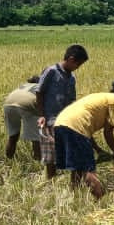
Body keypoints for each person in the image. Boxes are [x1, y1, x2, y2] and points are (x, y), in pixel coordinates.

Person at [53, 78, 114, 199]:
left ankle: (75, 197)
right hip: (75, 127)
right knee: (88, 168)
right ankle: (101, 203)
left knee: (78, 167)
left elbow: (86, 129)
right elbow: (108, 132)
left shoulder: (103, 97)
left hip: (60, 124)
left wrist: (98, 150)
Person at [37, 44, 88, 179]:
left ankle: (74, 182)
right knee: (51, 155)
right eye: (78, 65)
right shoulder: (51, 71)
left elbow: (72, 99)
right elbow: (40, 92)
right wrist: (42, 115)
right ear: (71, 59)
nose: (78, 68)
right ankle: (51, 180)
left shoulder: (71, 78)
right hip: (50, 118)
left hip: (65, 120)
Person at [2, 75, 42, 161]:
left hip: (8, 104)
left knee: (13, 137)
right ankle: (38, 162)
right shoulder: (40, 86)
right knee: (36, 138)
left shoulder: (23, 86)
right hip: (27, 105)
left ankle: (9, 159)